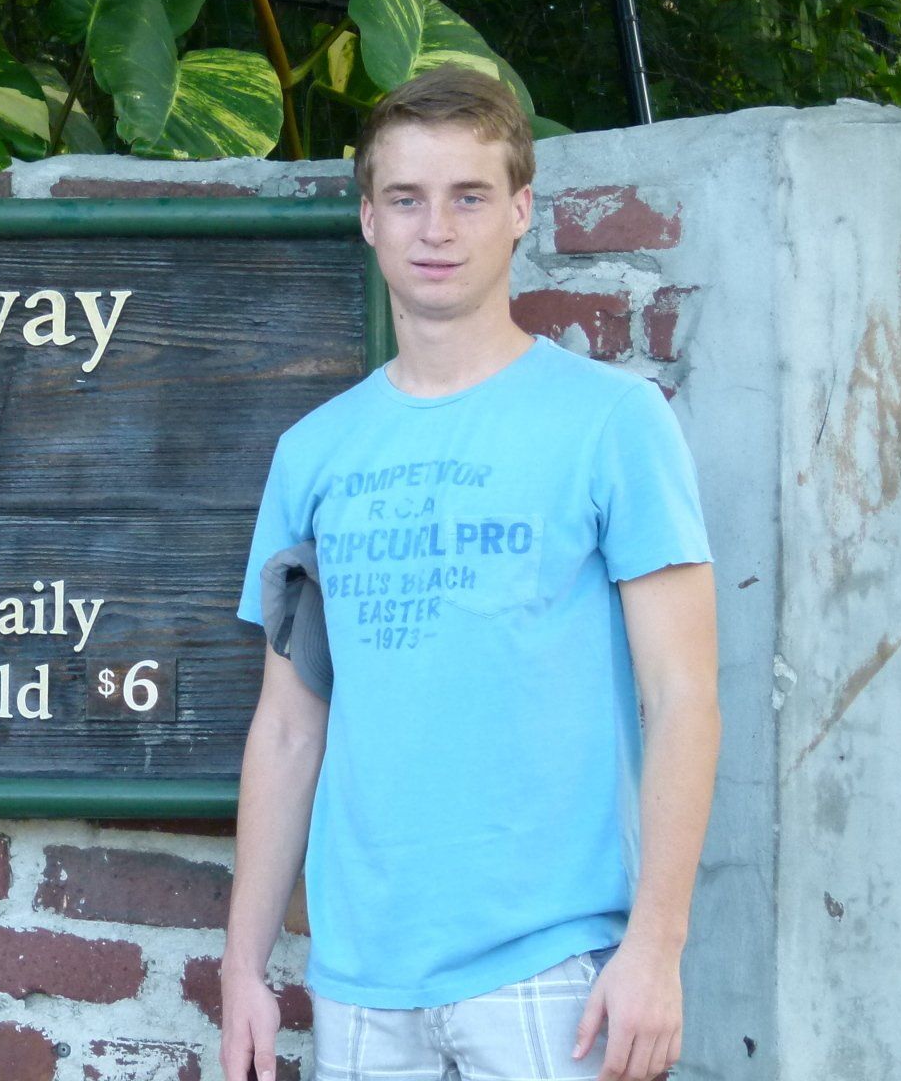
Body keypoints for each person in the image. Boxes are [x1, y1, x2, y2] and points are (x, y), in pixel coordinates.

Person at [218, 64, 721, 1081]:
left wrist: (656, 950)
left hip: (552, 970)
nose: (434, 228)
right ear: (368, 219)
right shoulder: (313, 455)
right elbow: (287, 724)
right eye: (405, 198)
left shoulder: (612, 424)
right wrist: (242, 968)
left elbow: (684, 694)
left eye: (468, 197)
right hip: (360, 977)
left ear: (521, 211)